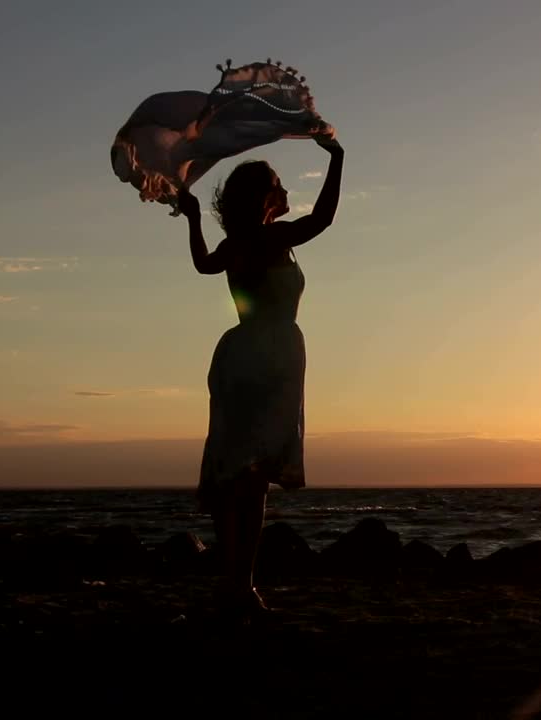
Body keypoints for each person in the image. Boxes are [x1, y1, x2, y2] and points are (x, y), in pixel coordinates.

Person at [176, 129, 343, 621]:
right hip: (268, 359)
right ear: (264, 197)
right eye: (277, 183)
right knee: (252, 478)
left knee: (236, 473)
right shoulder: (271, 238)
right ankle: (241, 586)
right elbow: (323, 218)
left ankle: (234, 583)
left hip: (239, 355)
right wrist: (336, 158)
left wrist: (193, 221)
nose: (285, 189)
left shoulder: (237, 242)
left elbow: (203, 265)